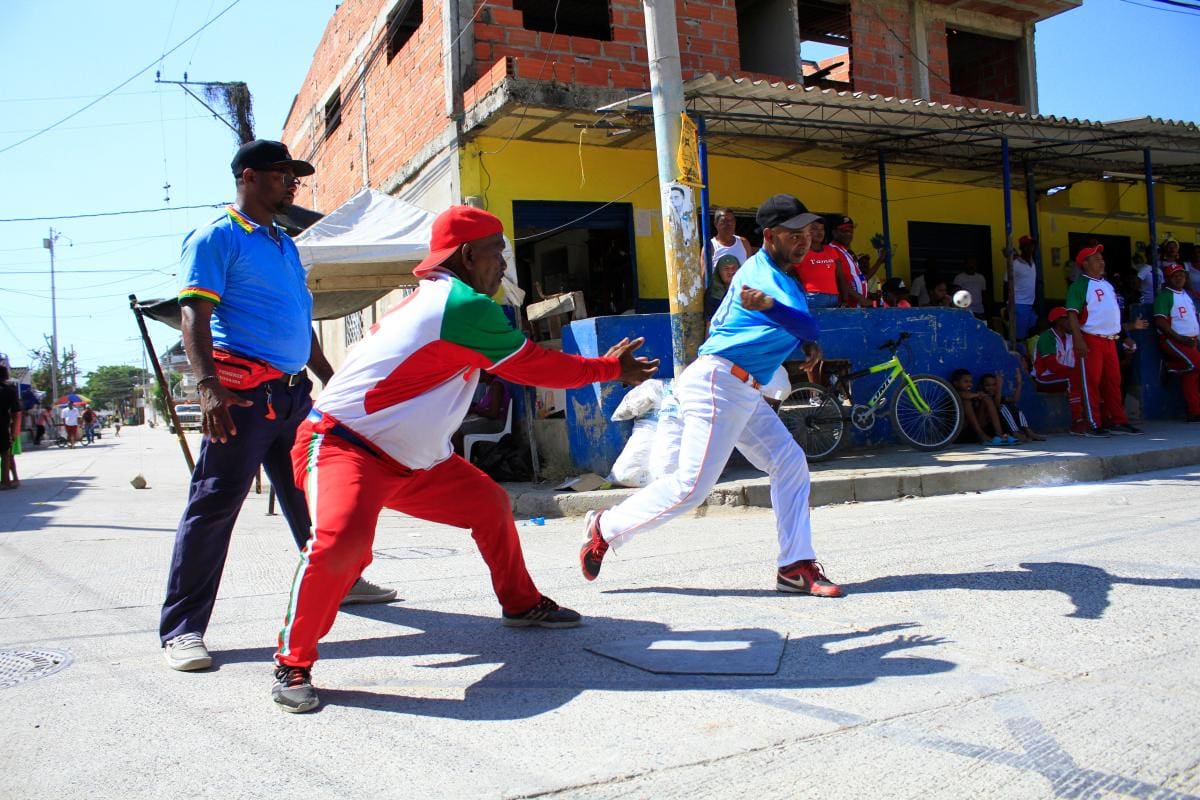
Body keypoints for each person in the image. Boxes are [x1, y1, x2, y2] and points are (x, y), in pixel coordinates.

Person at [269, 204, 659, 713]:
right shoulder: (459, 304)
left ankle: (521, 604)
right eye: (498, 253)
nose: (504, 265)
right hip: (344, 445)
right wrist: (609, 368)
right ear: (468, 255)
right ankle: (292, 662)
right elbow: (534, 366)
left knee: (489, 505)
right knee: (340, 545)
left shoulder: (442, 300)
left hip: (415, 461)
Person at [160, 140, 395, 674]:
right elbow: (194, 316)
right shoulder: (217, 236)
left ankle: (343, 582)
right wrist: (208, 387)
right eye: (282, 174)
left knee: (313, 498)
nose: (292, 183)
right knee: (214, 508)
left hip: (293, 397)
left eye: (294, 175)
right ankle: (182, 630)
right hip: (242, 398)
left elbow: (297, 322)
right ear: (248, 176)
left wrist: (330, 379)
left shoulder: (285, 244)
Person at [578, 194, 843, 605]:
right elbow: (803, 322)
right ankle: (604, 527)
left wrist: (807, 343)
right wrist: (787, 320)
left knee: (789, 462)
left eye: (806, 232)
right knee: (691, 488)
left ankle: (794, 566)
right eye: (793, 234)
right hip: (718, 384)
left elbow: (801, 326)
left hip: (742, 388)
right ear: (769, 236)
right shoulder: (761, 274)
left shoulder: (784, 277)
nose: (803, 240)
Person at [1065, 244, 1142, 437]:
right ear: (1085, 263)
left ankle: (1117, 421)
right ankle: (1092, 423)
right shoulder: (1079, 285)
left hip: (1110, 341)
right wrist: (1078, 340)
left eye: (1102, 259)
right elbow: (1072, 315)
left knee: (1113, 381)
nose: (1102, 262)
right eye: (1097, 259)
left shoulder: (1107, 285)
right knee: (1091, 382)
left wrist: (1124, 336)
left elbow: (1111, 315)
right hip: (1090, 339)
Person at [1153, 263, 1200, 421]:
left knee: (1191, 375)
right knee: (1197, 365)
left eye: (1181, 274)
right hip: (1174, 340)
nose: (1179, 278)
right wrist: (1180, 338)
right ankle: (1173, 366)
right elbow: (1161, 322)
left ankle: (1194, 411)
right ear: (1168, 278)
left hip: (1191, 341)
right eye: (1175, 275)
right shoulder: (1165, 296)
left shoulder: (1186, 294)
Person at [1033, 307, 1083, 419]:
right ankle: (1077, 419)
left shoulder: (1072, 337)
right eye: (1068, 319)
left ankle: (1092, 416)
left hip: (1064, 375)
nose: (1072, 322)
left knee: (1089, 376)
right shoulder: (1047, 337)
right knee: (1073, 377)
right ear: (1058, 320)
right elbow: (1052, 366)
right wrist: (1075, 372)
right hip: (1044, 378)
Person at [451, 371, 512, 457]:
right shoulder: (490, 386)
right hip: (488, 421)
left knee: (455, 432)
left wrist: (473, 410)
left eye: (477, 373)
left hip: (497, 424)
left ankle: (467, 461)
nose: (475, 376)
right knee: (454, 427)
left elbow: (494, 414)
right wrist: (474, 406)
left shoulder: (497, 386)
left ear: (484, 372)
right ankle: (469, 457)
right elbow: (486, 407)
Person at [951, 369, 1018, 446]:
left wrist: (981, 398)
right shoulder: (954, 393)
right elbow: (965, 396)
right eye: (966, 382)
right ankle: (981, 435)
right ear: (956, 383)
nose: (969, 384)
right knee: (967, 402)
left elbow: (1007, 401)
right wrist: (978, 395)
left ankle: (1000, 434)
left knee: (987, 399)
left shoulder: (972, 394)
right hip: (960, 432)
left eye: (970, 382)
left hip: (977, 428)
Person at [794, 218, 849, 309]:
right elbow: (789, 274)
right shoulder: (800, 252)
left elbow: (841, 277)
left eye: (822, 229)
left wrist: (845, 300)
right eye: (815, 229)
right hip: (813, 298)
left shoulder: (831, 250)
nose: (819, 232)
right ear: (806, 232)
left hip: (834, 298)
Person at [979, 372, 1044, 442]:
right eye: (987, 385)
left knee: (1013, 406)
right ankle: (1014, 432)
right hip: (989, 429)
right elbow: (997, 404)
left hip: (1001, 427)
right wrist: (999, 386)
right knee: (1002, 407)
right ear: (982, 386)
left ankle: (1027, 431)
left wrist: (1019, 383)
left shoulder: (998, 396)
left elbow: (1014, 400)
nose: (991, 387)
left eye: (994, 385)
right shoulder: (983, 397)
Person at [827, 216, 870, 307]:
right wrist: (859, 297)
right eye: (844, 231)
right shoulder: (831, 250)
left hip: (857, 305)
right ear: (834, 232)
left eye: (850, 231)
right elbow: (837, 279)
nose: (848, 234)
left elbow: (858, 277)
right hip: (846, 305)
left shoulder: (847, 252)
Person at [1008, 236, 1038, 339]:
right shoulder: (1015, 264)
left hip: (1031, 304)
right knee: (1019, 337)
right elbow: (1006, 283)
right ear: (1022, 248)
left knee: (1032, 332)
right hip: (1019, 303)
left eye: (1032, 246)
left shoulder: (1033, 262)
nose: (1030, 248)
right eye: (1027, 246)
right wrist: (1007, 305)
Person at [0, 365, 20, 490]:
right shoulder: (10, 390)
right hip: (3, 425)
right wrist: (14, 432)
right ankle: (5, 481)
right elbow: (16, 412)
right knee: (5, 454)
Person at [705, 254, 741, 320]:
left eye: (733, 268)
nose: (730, 272)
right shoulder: (713, 293)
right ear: (719, 271)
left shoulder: (746, 290)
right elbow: (710, 322)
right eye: (726, 269)